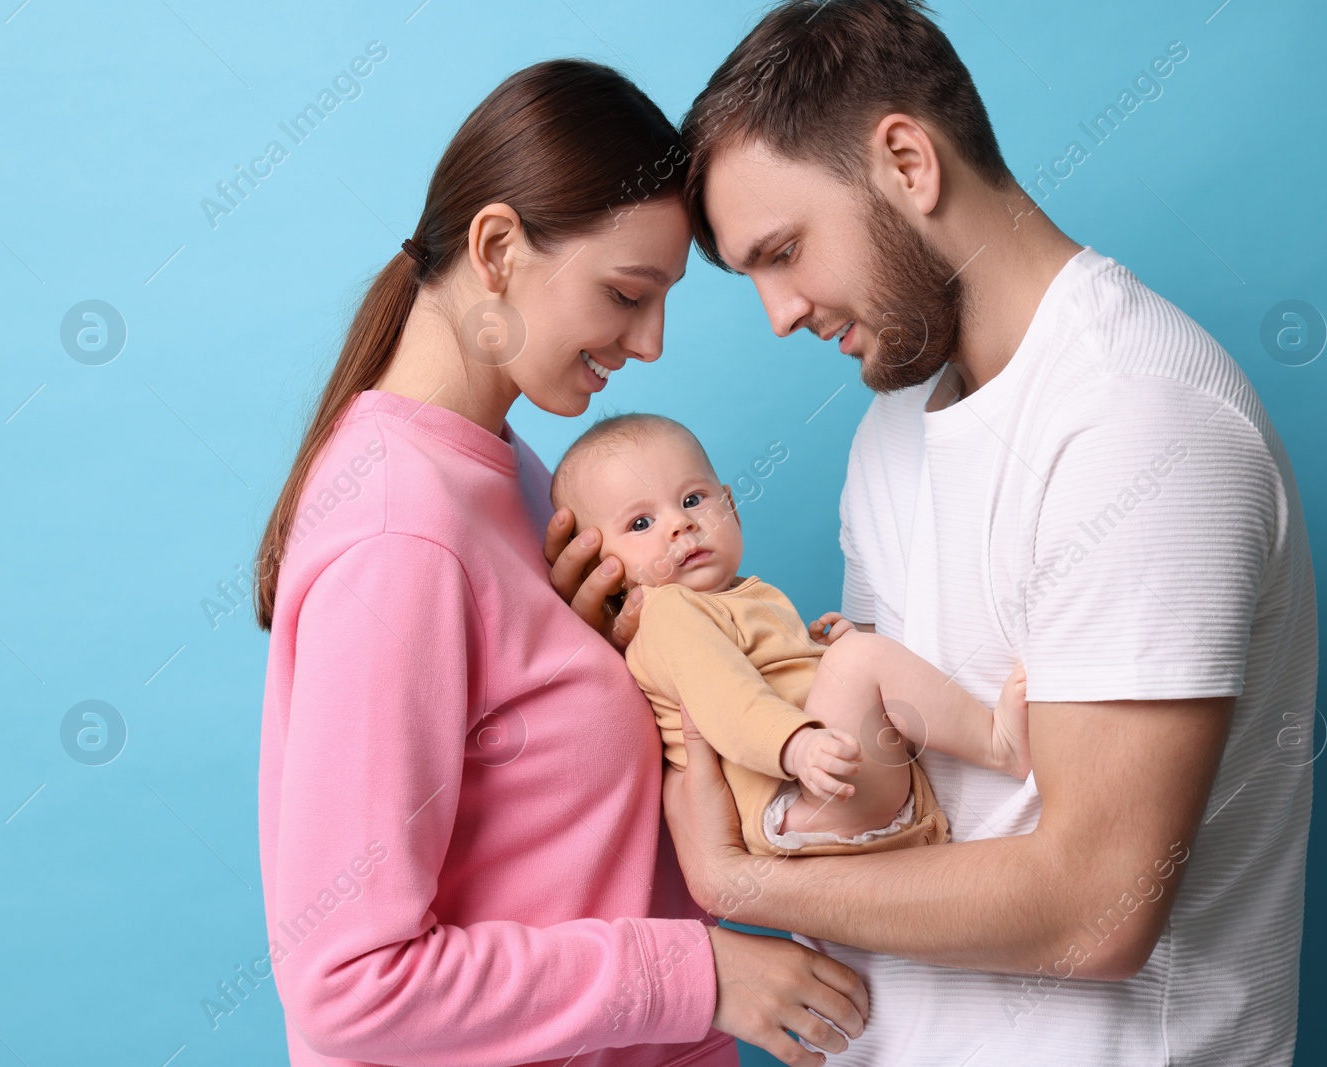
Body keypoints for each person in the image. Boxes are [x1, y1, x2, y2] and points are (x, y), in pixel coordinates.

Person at [549, 2, 1318, 1065]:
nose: (777, 312)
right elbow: (883, 784)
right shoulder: (892, 430)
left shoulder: (1140, 422)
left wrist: (742, 884)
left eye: (783, 251)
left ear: (907, 160)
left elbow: (1092, 908)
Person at [254, 58, 870, 1067]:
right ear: (497, 247)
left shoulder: (520, 477)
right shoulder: (398, 531)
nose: (652, 341)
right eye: (628, 293)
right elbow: (348, 984)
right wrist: (701, 973)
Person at [548, 411, 1030, 858]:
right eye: (641, 523)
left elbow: (773, 676)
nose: (680, 524)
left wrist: (820, 656)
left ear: (731, 507)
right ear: (601, 568)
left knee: (853, 660)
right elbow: (725, 701)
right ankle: (998, 744)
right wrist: (796, 744)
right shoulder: (666, 611)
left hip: (817, 785)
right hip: (792, 793)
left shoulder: (737, 597)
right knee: (860, 661)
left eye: (693, 499)